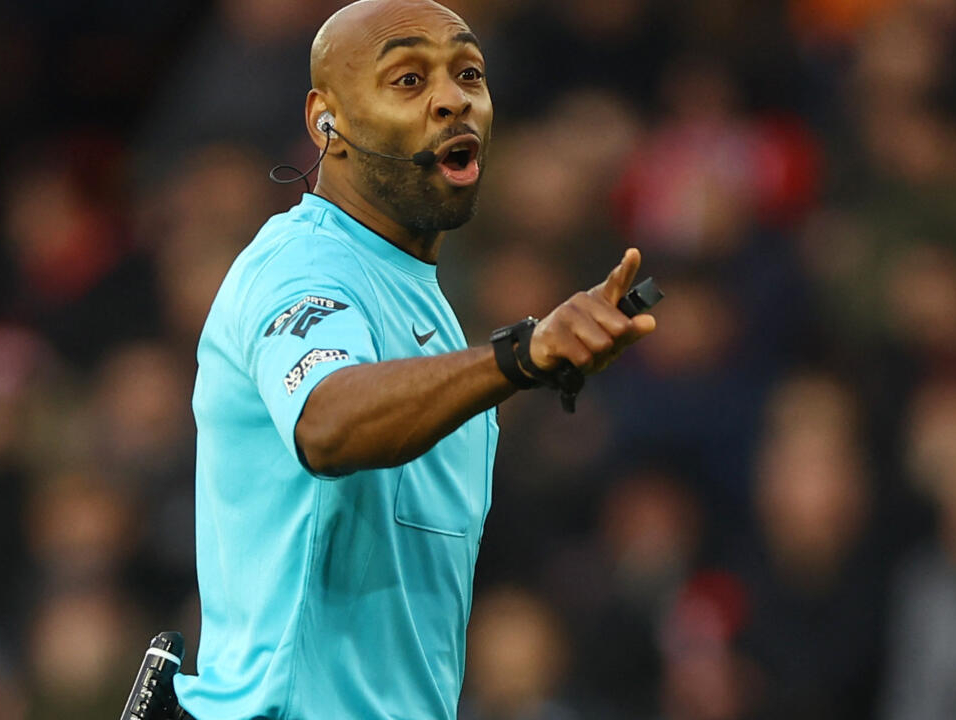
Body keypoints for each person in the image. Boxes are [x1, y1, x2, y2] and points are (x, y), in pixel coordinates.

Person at [169, 1, 658, 719]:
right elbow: (327, 422)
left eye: (470, 74)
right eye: (407, 79)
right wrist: (519, 357)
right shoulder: (302, 266)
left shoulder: (426, 308)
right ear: (325, 121)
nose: (453, 98)